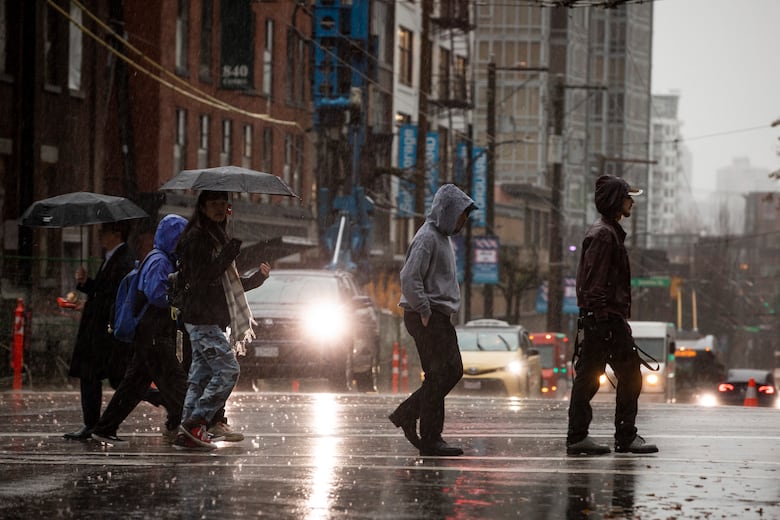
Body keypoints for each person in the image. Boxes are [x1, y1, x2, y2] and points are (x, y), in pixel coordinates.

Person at [566, 175, 659, 455]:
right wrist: (604, 320)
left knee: (592, 376)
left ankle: (584, 436)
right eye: (628, 196)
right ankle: (616, 436)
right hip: (603, 318)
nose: (631, 201)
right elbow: (594, 284)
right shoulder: (604, 236)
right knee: (625, 375)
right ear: (616, 201)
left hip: (602, 318)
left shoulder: (607, 232)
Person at [174, 190, 271, 449]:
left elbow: (227, 287)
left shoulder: (215, 237)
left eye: (224, 205)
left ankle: (186, 431)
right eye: (214, 204)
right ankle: (198, 422)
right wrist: (228, 253)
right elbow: (202, 280)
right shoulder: (197, 239)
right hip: (201, 318)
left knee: (200, 376)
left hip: (210, 318)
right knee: (228, 370)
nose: (220, 209)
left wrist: (257, 279)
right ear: (203, 207)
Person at [389, 183, 476, 457]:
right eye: (461, 215)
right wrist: (425, 310)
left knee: (442, 374)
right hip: (427, 317)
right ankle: (426, 433)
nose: (464, 221)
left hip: (436, 316)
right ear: (448, 212)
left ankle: (420, 426)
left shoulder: (441, 237)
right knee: (445, 373)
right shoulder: (428, 237)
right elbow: (409, 277)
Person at [90, 214, 189, 444]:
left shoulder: (159, 258)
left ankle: (105, 427)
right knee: (174, 380)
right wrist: (178, 297)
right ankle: (188, 424)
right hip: (153, 332)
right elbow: (157, 294)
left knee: (134, 385)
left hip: (149, 332)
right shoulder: (160, 261)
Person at [64, 221, 138, 440]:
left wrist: (95, 302)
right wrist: (86, 283)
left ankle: (164, 399)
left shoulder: (123, 259)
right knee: (98, 377)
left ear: (116, 234)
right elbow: (103, 291)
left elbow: (114, 296)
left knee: (116, 379)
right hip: (99, 330)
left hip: (104, 332)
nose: (98, 236)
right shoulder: (111, 258)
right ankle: (92, 424)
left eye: (102, 232)